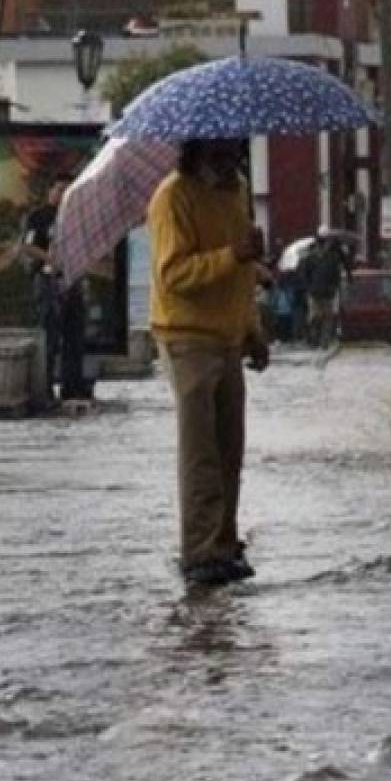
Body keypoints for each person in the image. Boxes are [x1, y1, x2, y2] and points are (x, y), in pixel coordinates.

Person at [147, 138, 270, 588]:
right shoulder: (172, 198)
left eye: (235, 155)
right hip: (187, 338)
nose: (231, 165)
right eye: (221, 156)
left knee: (229, 450)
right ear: (199, 152)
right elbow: (173, 275)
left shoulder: (235, 191)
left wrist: (252, 331)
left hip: (228, 338)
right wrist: (232, 254)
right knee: (200, 452)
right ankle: (199, 551)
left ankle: (224, 541)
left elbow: (240, 273)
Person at [19, 176, 89, 402]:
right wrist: (50, 257)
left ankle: (72, 386)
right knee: (49, 333)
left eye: (66, 190)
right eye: (58, 189)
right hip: (47, 277)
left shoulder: (76, 215)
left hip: (72, 278)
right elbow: (28, 245)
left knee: (74, 334)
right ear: (50, 191)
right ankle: (46, 385)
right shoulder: (38, 217)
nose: (61, 194)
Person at [300, 228, 354, 348]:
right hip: (323, 292)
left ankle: (318, 341)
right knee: (323, 318)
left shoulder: (315, 256)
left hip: (319, 292)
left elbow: (304, 273)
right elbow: (337, 273)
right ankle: (319, 341)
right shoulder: (330, 257)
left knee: (320, 317)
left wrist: (308, 287)